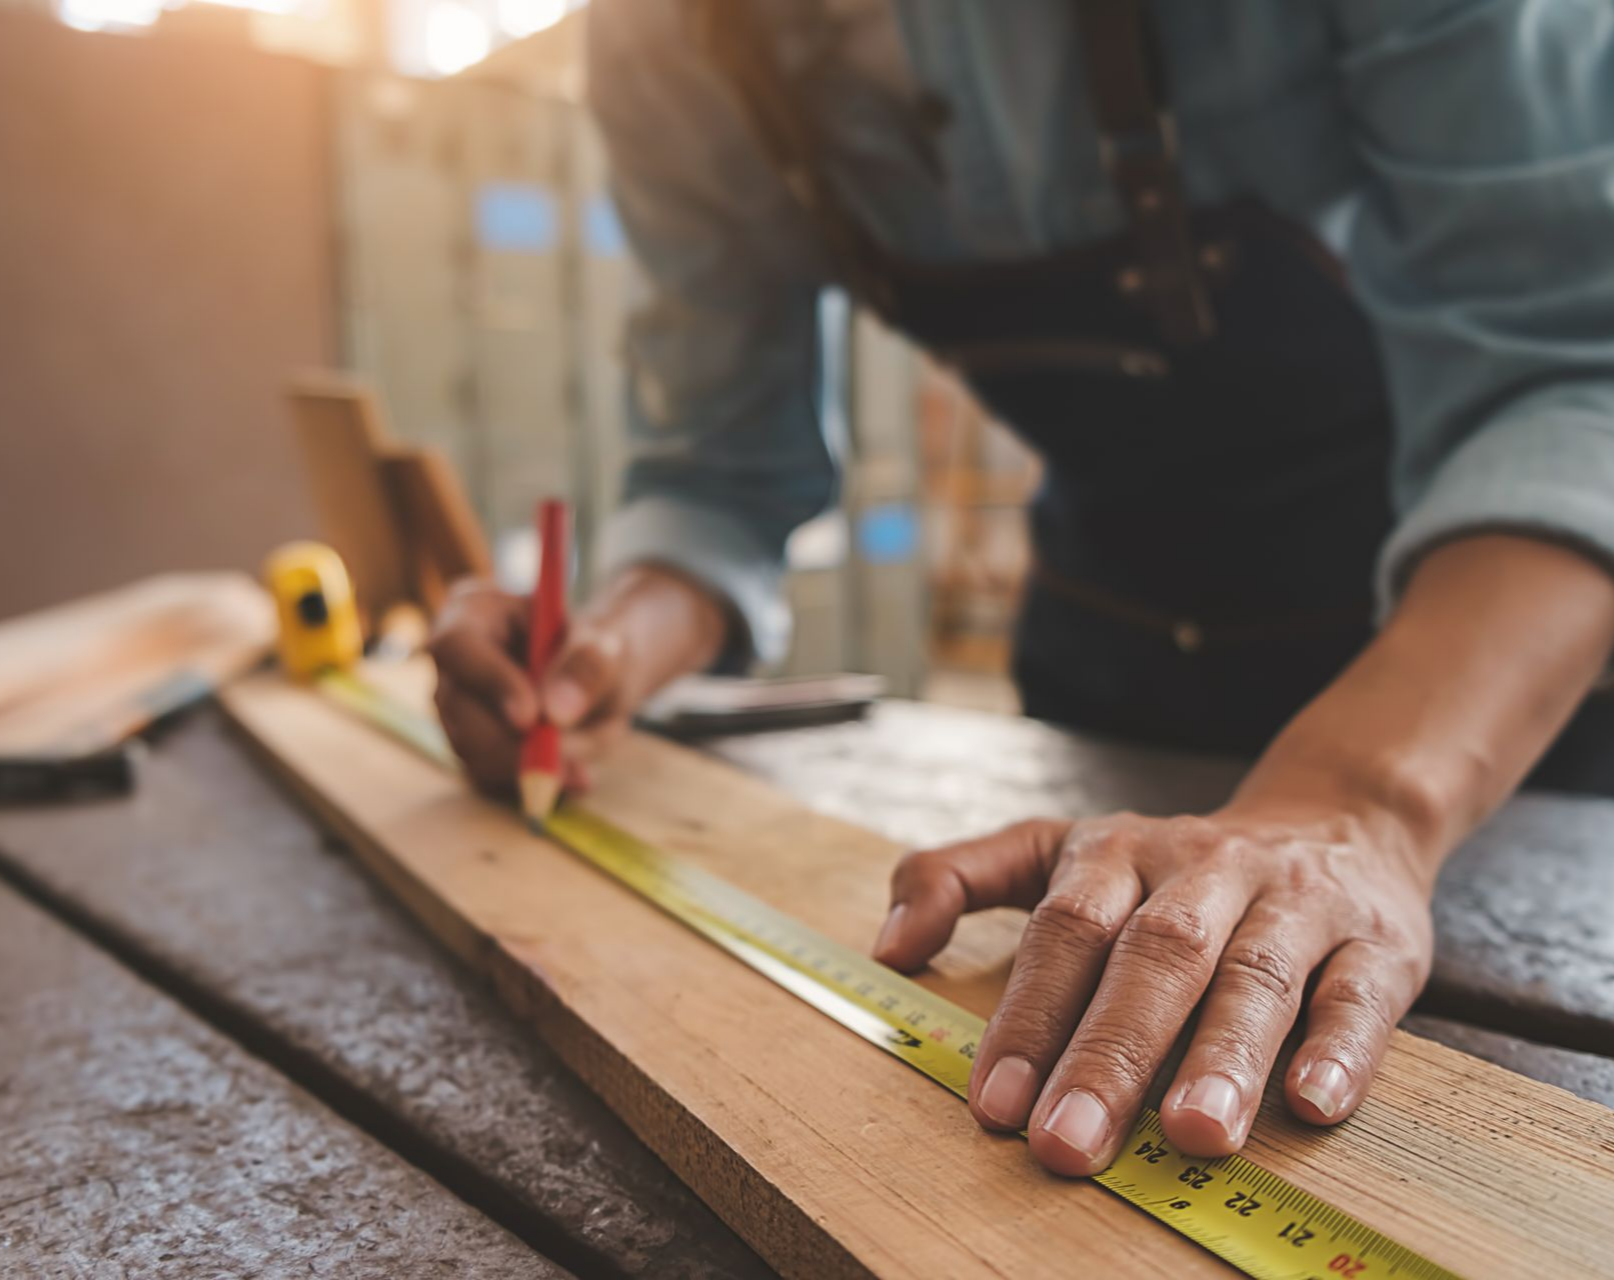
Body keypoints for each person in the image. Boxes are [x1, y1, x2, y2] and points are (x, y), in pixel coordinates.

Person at [431, 0, 1614, 1177]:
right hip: (1117, 655)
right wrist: (601, 650)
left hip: (1481, 681)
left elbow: (1574, 379)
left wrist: (1359, 803)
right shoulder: (662, 35)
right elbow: (717, 465)